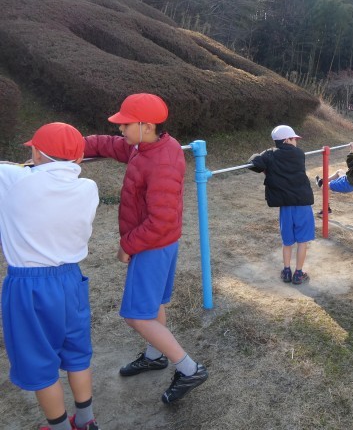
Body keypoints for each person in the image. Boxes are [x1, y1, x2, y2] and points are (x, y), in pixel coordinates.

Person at [83, 93, 208, 404]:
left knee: (136, 316)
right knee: (152, 307)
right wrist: (71, 145)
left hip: (153, 245)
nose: (120, 130)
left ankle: (189, 369)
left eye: (125, 124)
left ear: (147, 125)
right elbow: (110, 145)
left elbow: (161, 221)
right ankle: (155, 355)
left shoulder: (161, 161)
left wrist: (127, 245)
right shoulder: (148, 146)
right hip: (160, 244)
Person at [0, 123, 101, 430]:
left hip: (28, 285)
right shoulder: (88, 188)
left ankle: (58, 427)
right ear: (79, 159)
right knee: (76, 352)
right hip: (71, 280)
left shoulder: (13, 179)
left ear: (36, 154)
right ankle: (86, 420)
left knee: (38, 360)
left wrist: (24, 166)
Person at [248, 125, 315, 284]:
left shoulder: (270, 155)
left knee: (287, 241)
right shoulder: (299, 154)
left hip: (286, 206)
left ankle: (286, 271)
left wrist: (266, 168)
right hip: (302, 204)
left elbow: (253, 162)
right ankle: (298, 273)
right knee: (302, 241)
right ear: (286, 140)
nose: (296, 142)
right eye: (294, 139)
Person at [314, 140, 353, 213]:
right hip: (350, 179)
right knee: (339, 171)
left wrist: (352, 151)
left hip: (348, 184)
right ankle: (322, 181)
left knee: (324, 187)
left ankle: (326, 208)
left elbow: (351, 164)